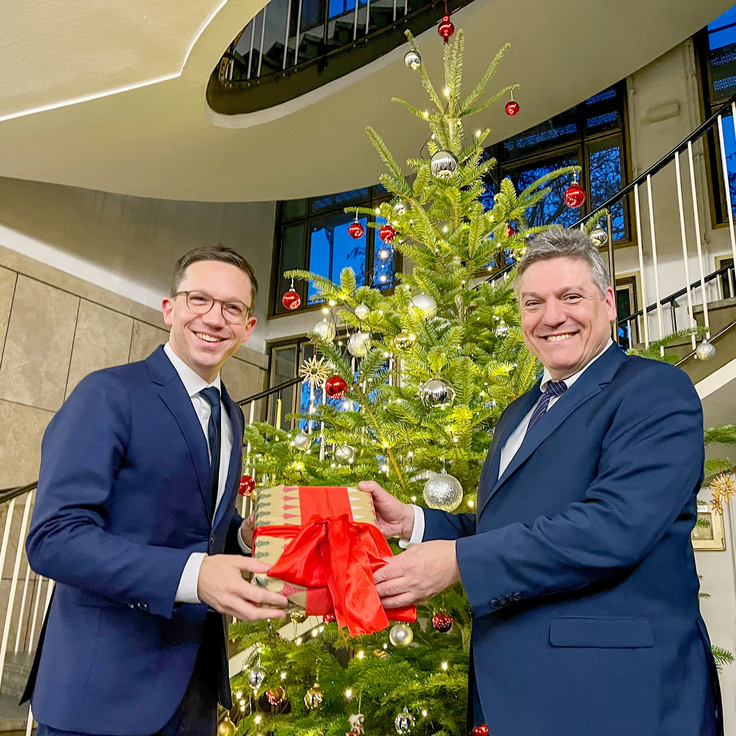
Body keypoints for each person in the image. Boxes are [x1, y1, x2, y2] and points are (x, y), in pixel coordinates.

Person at [361, 228, 722, 736]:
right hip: (516, 694)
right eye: (534, 303)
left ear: (609, 303)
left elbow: (612, 527)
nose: (552, 316)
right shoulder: (519, 412)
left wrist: (459, 562)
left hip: (617, 697)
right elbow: (515, 522)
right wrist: (417, 523)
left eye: (570, 297)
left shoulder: (655, 389)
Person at [22, 245, 289, 736]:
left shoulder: (230, 415)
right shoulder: (108, 394)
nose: (215, 318)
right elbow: (53, 539)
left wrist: (244, 537)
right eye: (199, 300)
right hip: (101, 695)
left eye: (233, 308)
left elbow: (189, 525)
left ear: (248, 328)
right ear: (170, 309)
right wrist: (194, 576)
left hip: (193, 697)